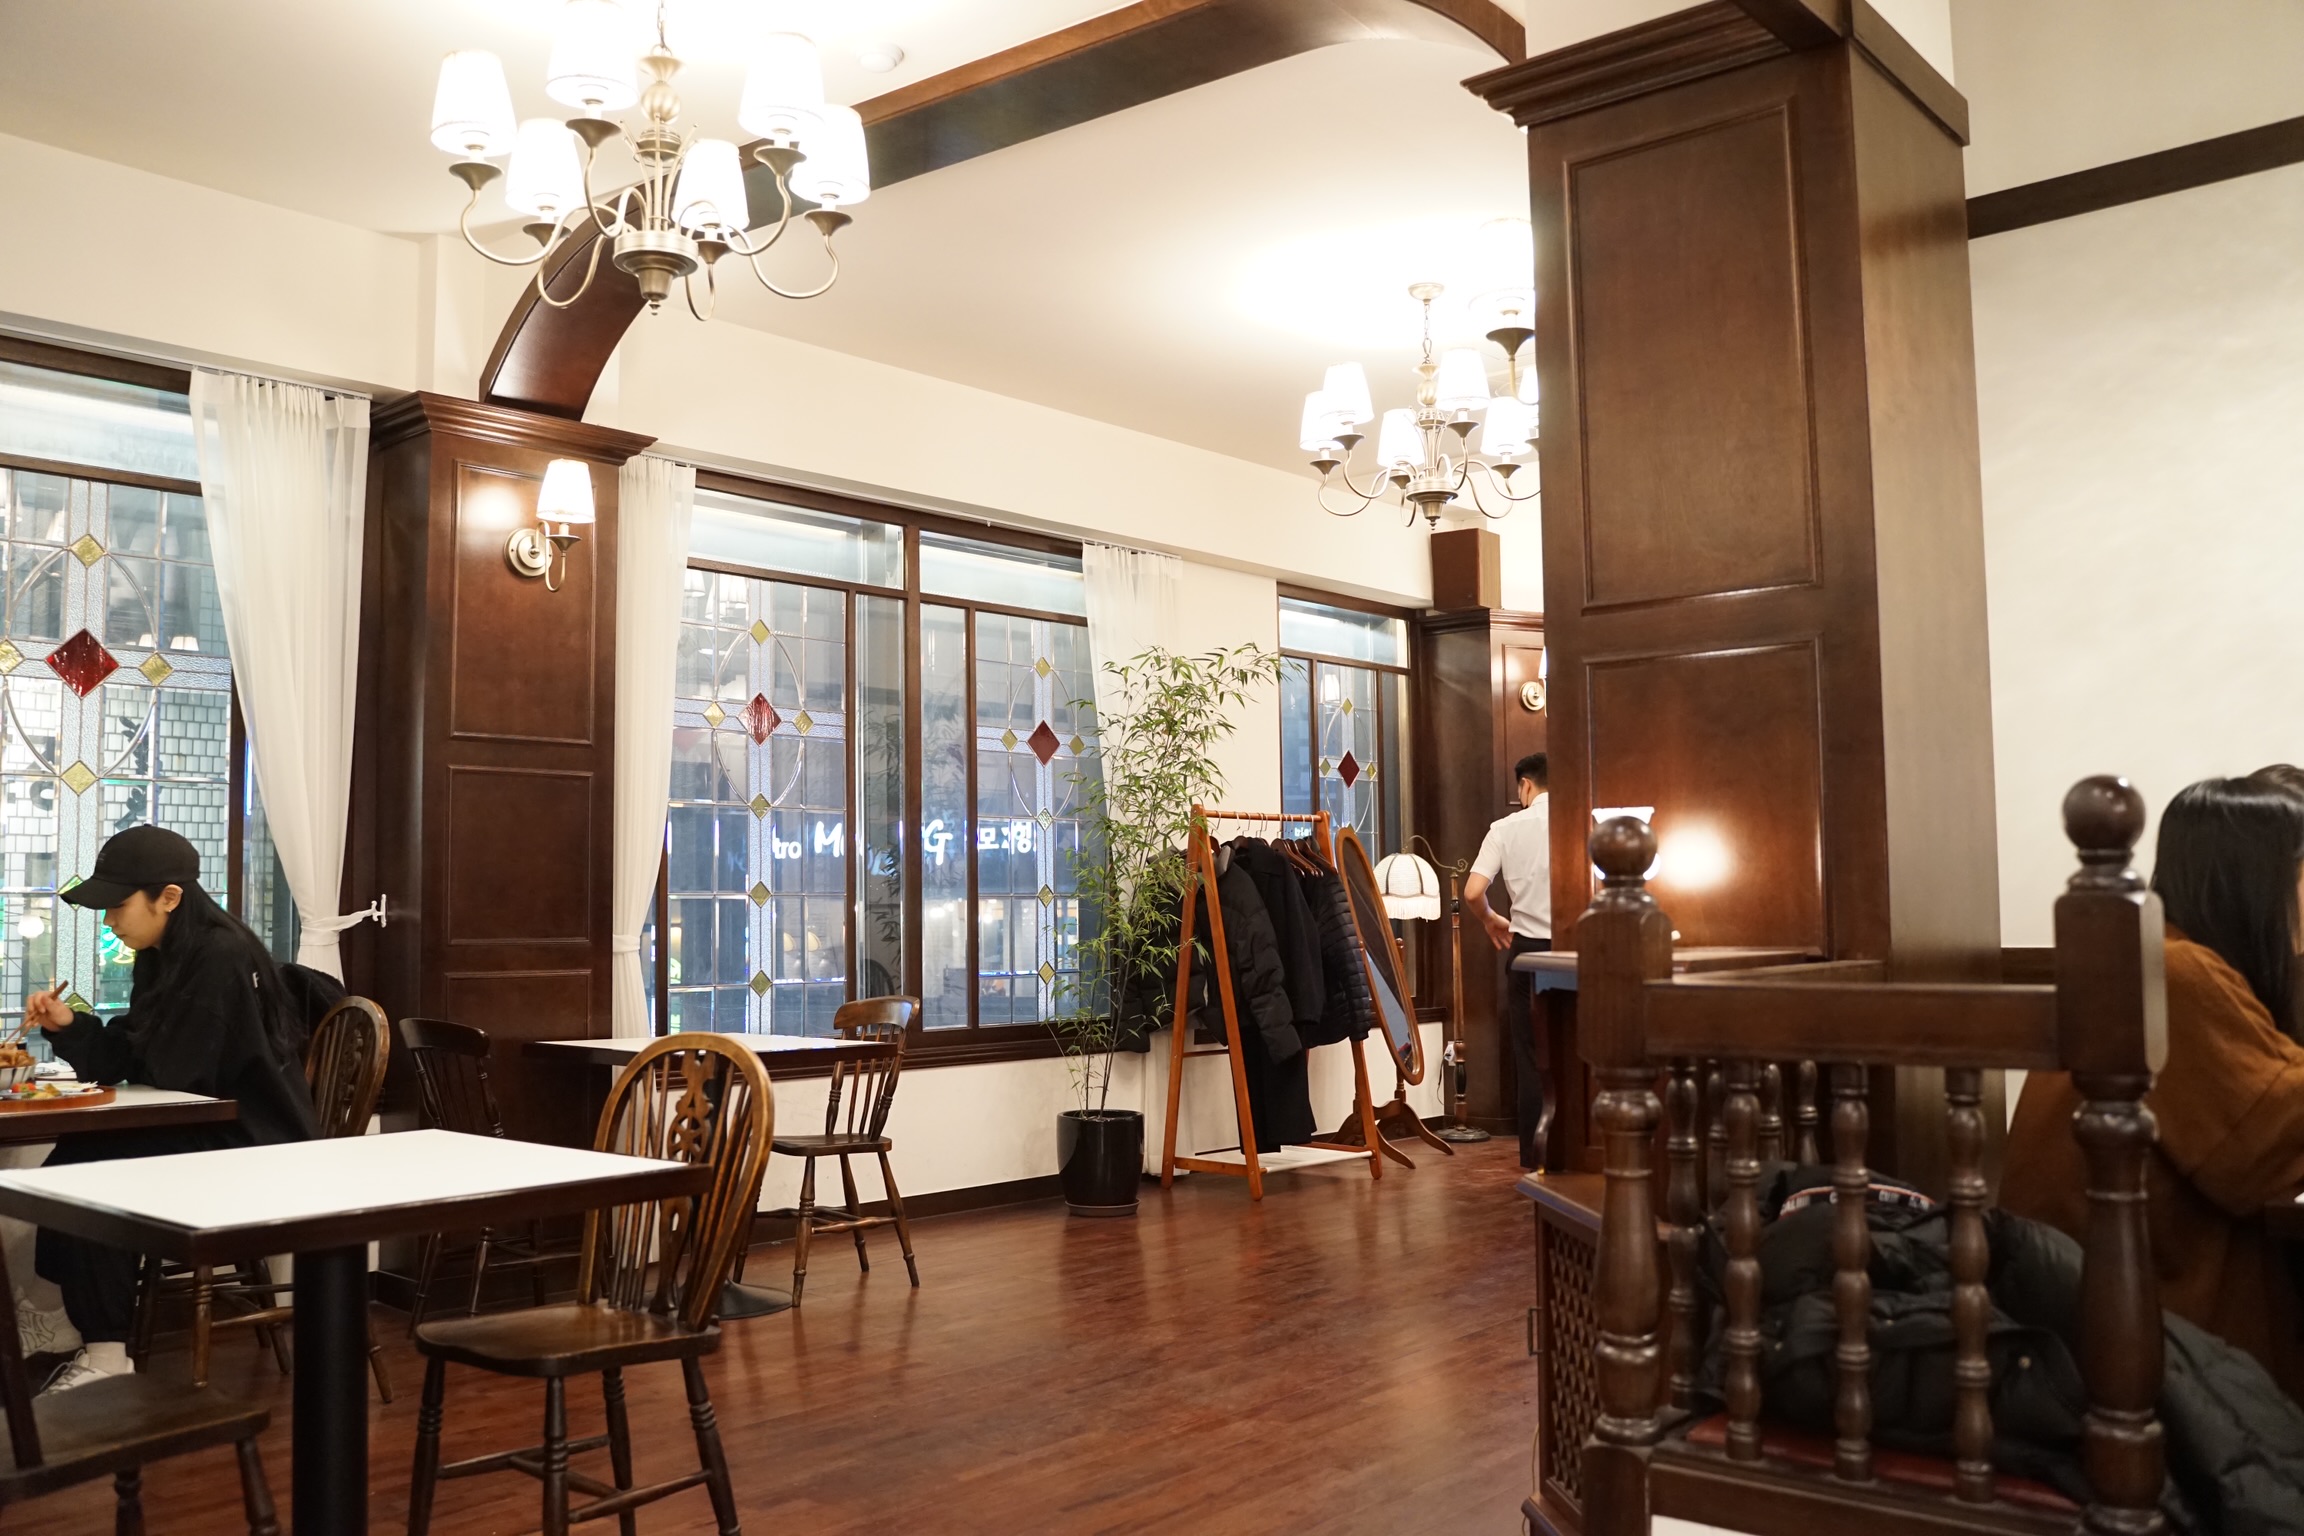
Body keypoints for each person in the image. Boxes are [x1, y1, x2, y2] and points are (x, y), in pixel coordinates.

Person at [2002, 777, 2304, 1400]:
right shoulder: (2174, 971)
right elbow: (2270, 1142)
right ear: (2256, 879)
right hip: (2131, 1340)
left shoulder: (2170, 958)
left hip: (2112, 1311)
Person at [21, 825, 318, 1392]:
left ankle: (106, 1356)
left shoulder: (219, 955)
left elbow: (174, 1074)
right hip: (201, 1122)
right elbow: (137, 1056)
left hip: (253, 1141)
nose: (110, 921)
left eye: (118, 906)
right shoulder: (163, 955)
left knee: (89, 1175)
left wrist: (117, 1055)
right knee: (75, 1160)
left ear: (170, 897)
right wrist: (69, 1025)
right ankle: (88, 1337)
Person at [1465, 753, 1552, 1169]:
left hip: (1529, 952)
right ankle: (1585, 1151)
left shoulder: (1505, 828)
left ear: (1525, 786)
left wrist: (1489, 919)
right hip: (1580, 951)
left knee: (1531, 1056)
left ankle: (1536, 1156)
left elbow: (1472, 891)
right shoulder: (1585, 821)